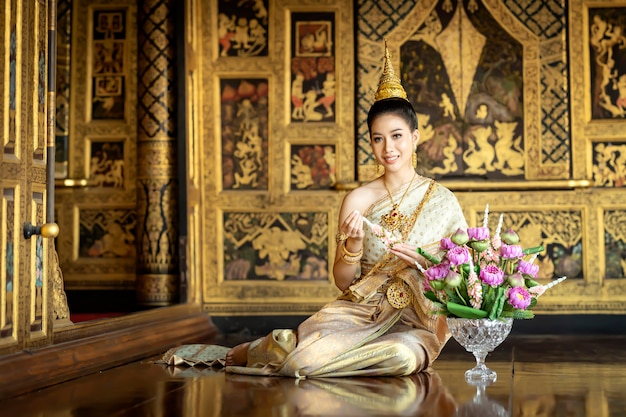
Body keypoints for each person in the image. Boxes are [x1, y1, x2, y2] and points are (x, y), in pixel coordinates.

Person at [222, 43, 468, 377]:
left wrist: (428, 262)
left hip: (416, 322)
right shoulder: (358, 200)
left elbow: (466, 278)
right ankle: (281, 349)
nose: (388, 148)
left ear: (415, 137)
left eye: (397, 136)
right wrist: (352, 246)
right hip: (359, 313)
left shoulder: (442, 200)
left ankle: (293, 349)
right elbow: (342, 281)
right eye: (378, 138)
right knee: (302, 363)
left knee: (401, 357)